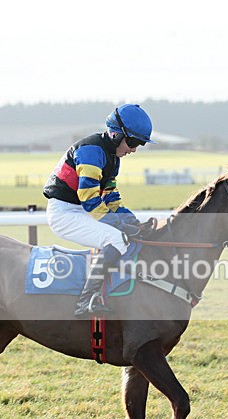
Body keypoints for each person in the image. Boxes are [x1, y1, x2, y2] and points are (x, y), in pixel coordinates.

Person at [43, 104, 155, 318]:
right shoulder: (92, 151)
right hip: (65, 213)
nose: (134, 149)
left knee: (124, 234)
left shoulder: (112, 158)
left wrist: (133, 222)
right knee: (116, 239)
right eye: (132, 142)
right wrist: (121, 226)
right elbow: (90, 198)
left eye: (139, 144)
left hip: (81, 210)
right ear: (115, 135)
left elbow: (110, 198)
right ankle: (85, 301)